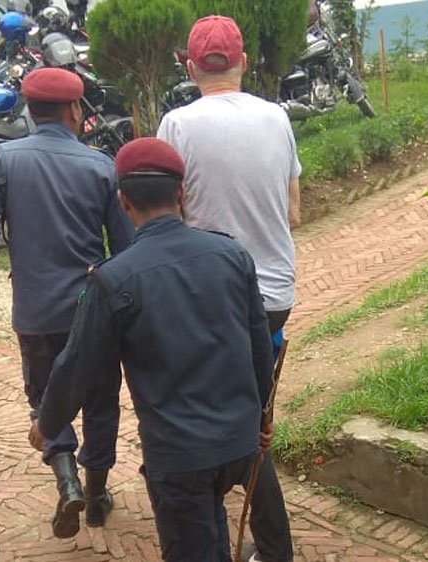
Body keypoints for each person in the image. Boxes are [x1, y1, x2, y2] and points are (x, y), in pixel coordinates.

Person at [32, 137, 276, 562]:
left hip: (179, 456)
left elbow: (77, 367)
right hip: (239, 442)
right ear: (182, 193)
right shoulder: (232, 255)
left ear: (123, 201)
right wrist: (262, 416)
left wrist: (48, 424)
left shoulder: (112, 279)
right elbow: (259, 346)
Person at [0, 67, 133, 538]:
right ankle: (96, 496)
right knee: (100, 401)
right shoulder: (100, 165)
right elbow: (125, 247)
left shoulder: (3, 159)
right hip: (92, 310)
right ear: (75, 110)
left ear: (31, 113)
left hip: (35, 311)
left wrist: (4, 223)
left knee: (44, 396)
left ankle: (67, 480)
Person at [156, 15, 299, 562]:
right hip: (274, 295)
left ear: (191, 69)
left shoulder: (177, 125)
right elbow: (294, 211)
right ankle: (273, 546)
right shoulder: (277, 117)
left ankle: (215, 533)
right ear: (243, 63)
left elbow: (168, 215)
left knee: (214, 418)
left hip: (207, 296)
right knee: (251, 413)